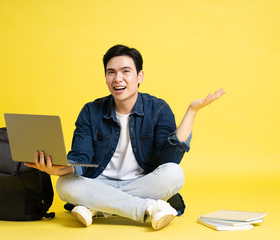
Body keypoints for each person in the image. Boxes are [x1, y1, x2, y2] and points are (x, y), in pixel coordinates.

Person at [25, 44, 225, 230]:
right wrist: (60, 168)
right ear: (105, 77)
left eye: (125, 72)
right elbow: (81, 158)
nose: (117, 79)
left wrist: (192, 111)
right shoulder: (90, 111)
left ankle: (96, 207)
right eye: (111, 72)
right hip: (98, 182)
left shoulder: (158, 109)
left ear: (140, 76)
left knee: (174, 173)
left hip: (142, 182)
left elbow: (169, 159)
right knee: (64, 184)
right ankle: (148, 208)